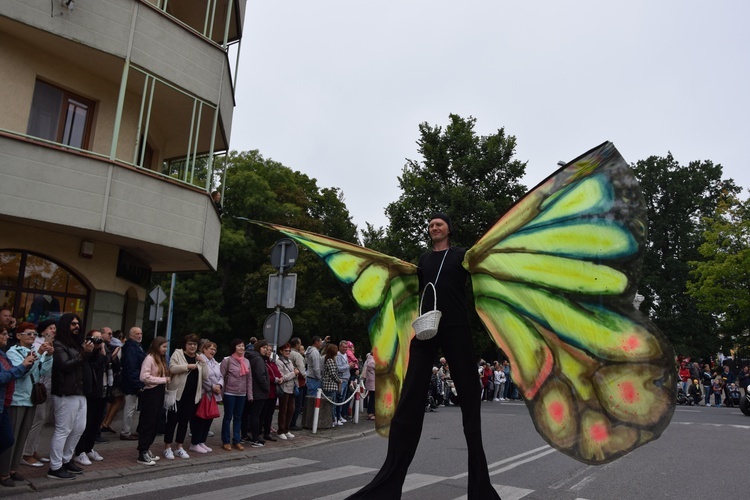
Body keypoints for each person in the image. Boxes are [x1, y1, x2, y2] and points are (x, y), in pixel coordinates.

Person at [346, 213, 501, 499]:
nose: (433, 227)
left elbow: (487, 266)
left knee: (470, 398)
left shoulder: (461, 255)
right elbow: (408, 285)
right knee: (409, 400)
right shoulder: (424, 259)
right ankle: (386, 487)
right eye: (430, 225)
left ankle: (481, 491)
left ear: (449, 228)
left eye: (438, 224)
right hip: (427, 328)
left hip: (456, 327)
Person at [0, 323, 51, 487]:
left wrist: (48, 356)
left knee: (22, 436)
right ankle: (3, 471)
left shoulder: (32, 351)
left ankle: (13, 469)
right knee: (11, 437)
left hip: (31, 398)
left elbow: (43, 371)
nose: (32, 336)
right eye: (28, 333)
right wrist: (38, 354)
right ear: (19, 336)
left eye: (34, 334)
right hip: (17, 398)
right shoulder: (12, 352)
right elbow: (21, 371)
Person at [48, 313, 95, 480]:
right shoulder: (59, 344)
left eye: (78, 324)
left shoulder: (75, 344)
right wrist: (84, 354)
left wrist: (87, 352)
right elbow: (65, 366)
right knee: (63, 430)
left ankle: (66, 459)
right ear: (65, 325)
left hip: (80, 392)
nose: (77, 327)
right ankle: (55, 466)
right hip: (65, 393)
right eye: (73, 324)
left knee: (78, 428)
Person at [163, 334, 206, 460]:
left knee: (184, 422)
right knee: (172, 421)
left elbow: (205, 376)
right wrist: (187, 366)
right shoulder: (178, 354)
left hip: (192, 396)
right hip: (177, 395)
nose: (192, 346)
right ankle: (167, 447)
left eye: (195, 344)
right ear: (185, 345)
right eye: (190, 344)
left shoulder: (199, 358)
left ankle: (179, 447)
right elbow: (172, 369)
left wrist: (203, 362)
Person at [21, 319, 56, 467]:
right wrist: (42, 352)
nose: (53, 331)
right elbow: (36, 367)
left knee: (41, 420)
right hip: (36, 388)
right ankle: (26, 453)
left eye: (55, 328)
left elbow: (48, 369)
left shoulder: (51, 346)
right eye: (50, 328)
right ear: (42, 331)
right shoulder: (35, 345)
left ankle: (33, 449)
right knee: (36, 420)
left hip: (46, 388)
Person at [72, 330, 109, 466]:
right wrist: (96, 352)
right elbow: (94, 366)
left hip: (103, 391)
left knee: (95, 423)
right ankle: (79, 451)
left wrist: (104, 352)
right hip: (92, 392)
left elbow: (111, 364)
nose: (98, 341)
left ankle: (89, 448)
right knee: (85, 424)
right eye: (95, 338)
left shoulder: (103, 350)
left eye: (100, 338)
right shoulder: (87, 352)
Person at [0, 326, 35, 462]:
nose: (7, 337)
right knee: (8, 437)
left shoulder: (2, 354)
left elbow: (14, 372)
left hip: (5, 402)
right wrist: (23, 365)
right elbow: (3, 377)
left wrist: (28, 364)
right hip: (10, 400)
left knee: (8, 439)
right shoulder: (10, 352)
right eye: (3, 334)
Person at [137, 337, 170, 466]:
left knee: (155, 422)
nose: (165, 349)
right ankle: (142, 451)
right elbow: (144, 377)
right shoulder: (150, 358)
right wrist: (163, 380)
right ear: (157, 346)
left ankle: (147, 448)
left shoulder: (160, 359)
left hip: (159, 392)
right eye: (164, 347)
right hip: (151, 393)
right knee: (148, 422)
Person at [220, 339, 253, 451]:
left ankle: (237, 441)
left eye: (243, 346)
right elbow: (221, 377)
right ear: (234, 347)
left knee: (238, 418)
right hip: (229, 392)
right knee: (228, 417)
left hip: (242, 394)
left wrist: (250, 395)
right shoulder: (227, 361)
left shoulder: (247, 362)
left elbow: (249, 379)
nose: (241, 348)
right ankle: (225, 441)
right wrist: (221, 394)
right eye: (239, 346)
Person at [190, 340, 222, 454]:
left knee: (209, 418)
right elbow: (202, 377)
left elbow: (221, 376)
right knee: (200, 418)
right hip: (203, 394)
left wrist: (219, 385)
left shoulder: (215, 362)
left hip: (213, 395)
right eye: (211, 349)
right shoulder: (200, 360)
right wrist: (212, 386)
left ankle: (202, 441)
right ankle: (195, 443)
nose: (213, 351)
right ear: (204, 349)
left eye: (215, 349)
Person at [119, 327, 146, 441]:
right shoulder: (131, 348)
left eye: (140, 333)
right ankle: (126, 432)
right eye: (137, 334)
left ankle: (127, 431)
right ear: (131, 335)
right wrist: (138, 385)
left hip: (133, 382)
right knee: (129, 408)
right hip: (132, 384)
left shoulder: (136, 347)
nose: (139, 336)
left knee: (131, 408)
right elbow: (132, 368)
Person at [244, 340, 270, 447]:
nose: (266, 350)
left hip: (251, 391)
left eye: (267, 348)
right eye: (264, 348)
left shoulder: (250, 357)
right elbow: (260, 375)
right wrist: (266, 387)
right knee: (256, 416)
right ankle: (255, 438)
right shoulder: (258, 359)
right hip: (259, 392)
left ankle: (244, 435)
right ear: (258, 348)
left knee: (247, 415)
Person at [99, 326, 123, 435]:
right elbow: (102, 363)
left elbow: (114, 365)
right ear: (101, 334)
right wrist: (111, 357)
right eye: (109, 334)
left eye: (111, 333)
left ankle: (100, 428)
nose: (111, 336)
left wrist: (113, 359)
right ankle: (99, 428)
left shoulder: (109, 347)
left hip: (108, 380)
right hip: (99, 382)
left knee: (104, 407)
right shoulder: (100, 347)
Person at [275, 343, 300, 440]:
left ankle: (286, 428)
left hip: (292, 388)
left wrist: (294, 374)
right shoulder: (279, 362)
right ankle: (281, 430)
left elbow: (292, 373)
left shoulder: (289, 361)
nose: (288, 352)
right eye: (286, 350)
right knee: (283, 410)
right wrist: (293, 373)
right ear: (281, 351)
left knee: (291, 409)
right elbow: (282, 377)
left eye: (289, 350)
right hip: (284, 388)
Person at [261, 343, 282, 442]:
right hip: (266, 392)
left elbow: (277, 372)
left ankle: (267, 432)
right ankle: (260, 431)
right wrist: (275, 379)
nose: (268, 352)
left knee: (270, 413)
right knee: (263, 413)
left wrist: (279, 378)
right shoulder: (262, 362)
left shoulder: (272, 363)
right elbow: (265, 376)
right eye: (267, 349)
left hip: (274, 391)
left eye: (270, 350)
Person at [288, 337, 307, 430]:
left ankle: (288, 422)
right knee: (297, 403)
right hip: (298, 382)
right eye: (299, 343)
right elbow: (302, 369)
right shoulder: (297, 355)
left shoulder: (288, 353)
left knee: (290, 403)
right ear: (297, 344)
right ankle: (293, 423)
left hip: (289, 381)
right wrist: (305, 377)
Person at [321, 344, 341, 427]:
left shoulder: (328, 360)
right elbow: (333, 373)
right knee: (331, 404)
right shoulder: (330, 360)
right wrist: (339, 380)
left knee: (330, 403)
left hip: (328, 385)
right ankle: (332, 420)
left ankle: (332, 419)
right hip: (330, 385)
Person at [334, 341, 351, 424]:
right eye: (343, 347)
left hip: (346, 379)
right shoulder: (338, 355)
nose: (345, 349)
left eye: (346, 347)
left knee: (343, 399)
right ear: (339, 347)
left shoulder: (345, 355)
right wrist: (348, 366)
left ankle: (339, 415)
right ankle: (336, 416)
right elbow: (338, 368)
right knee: (339, 398)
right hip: (341, 379)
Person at [363, 352, 376, 420]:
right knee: (372, 399)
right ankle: (370, 413)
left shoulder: (370, 360)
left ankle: (372, 412)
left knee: (373, 398)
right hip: (372, 382)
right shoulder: (371, 361)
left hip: (373, 382)